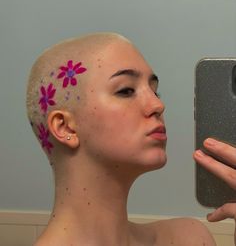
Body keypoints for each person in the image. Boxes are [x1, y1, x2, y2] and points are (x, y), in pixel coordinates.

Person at [26, 32, 231, 246]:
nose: (157, 105)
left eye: (155, 92)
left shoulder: (189, 239)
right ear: (65, 126)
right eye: (126, 91)